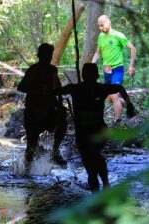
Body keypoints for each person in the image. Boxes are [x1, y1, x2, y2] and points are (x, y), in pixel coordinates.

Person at [55, 63, 135, 192]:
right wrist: (129, 105)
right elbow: (120, 88)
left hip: (85, 132)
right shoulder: (101, 88)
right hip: (97, 130)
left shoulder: (75, 88)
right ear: (97, 76)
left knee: (89, 160)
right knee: (95, 155)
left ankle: (99, 188)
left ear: (82, 75)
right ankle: (105, 184)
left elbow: (55, 91)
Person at [17, 43, 68, 170]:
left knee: (63, 122)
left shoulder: (53, 70)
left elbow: (58, 89)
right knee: (31, 147)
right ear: (39, 56)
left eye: (49, 56)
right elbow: (21, 87)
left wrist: (60, 104)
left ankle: (55, 150)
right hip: (34, 110)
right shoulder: (33, 70)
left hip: (50, 109)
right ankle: (26, 172)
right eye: (45, 56)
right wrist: (38, 89)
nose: (48, 59)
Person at [92, 15, 136, 124]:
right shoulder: (101, 37)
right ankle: (130, 107)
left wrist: (131, 65)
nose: (100, 28)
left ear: (109, 23)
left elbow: (133, 48)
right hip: (107, 70)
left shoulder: (118, 36)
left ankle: (117, 121)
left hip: (117, 69)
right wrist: (92, 64)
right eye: (99, 26)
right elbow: (98, 52)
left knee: (115, 94)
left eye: (102, 25)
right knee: (111, 97)